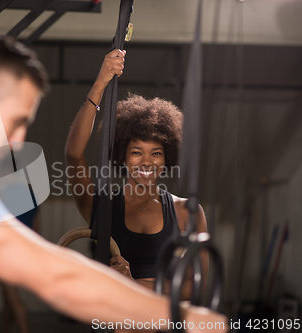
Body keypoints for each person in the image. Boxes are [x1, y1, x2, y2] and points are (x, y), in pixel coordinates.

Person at [0, 32, 224, 333]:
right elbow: (57, 277)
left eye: (155, 154)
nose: (20, 142)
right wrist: (183, 318)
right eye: (17, 122)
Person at [64, 49, 208, 296]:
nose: (146, 162)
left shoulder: (187, 212)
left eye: (156, 153)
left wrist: (134, 283)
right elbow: (73, 155)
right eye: (136, 152)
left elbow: (196, 286)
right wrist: (101, 82)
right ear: (122, 156)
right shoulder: (103, 208)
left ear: (167, 158)